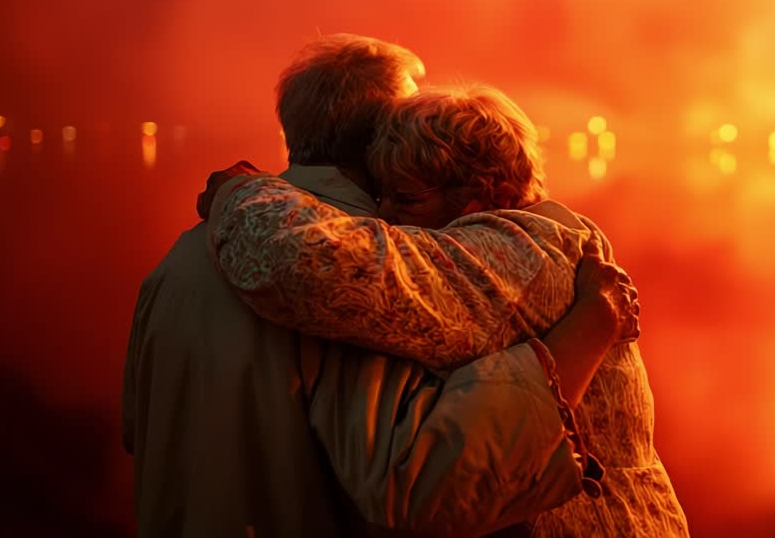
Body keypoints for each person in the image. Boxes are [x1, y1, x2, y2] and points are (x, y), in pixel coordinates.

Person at [123, 34, 636, 537]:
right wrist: (587, 330)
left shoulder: (178, 261)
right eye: (407, 117)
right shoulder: (372, 276)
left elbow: (136, 430)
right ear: (378, 139)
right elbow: (417, 483)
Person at [203, 84, 690, 537]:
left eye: (408, 198)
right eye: (381, 196)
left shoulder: (515, 256)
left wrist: (242, 193)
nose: (386, 216)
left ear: (491, 194)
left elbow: (309, 268)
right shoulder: (549, 242)